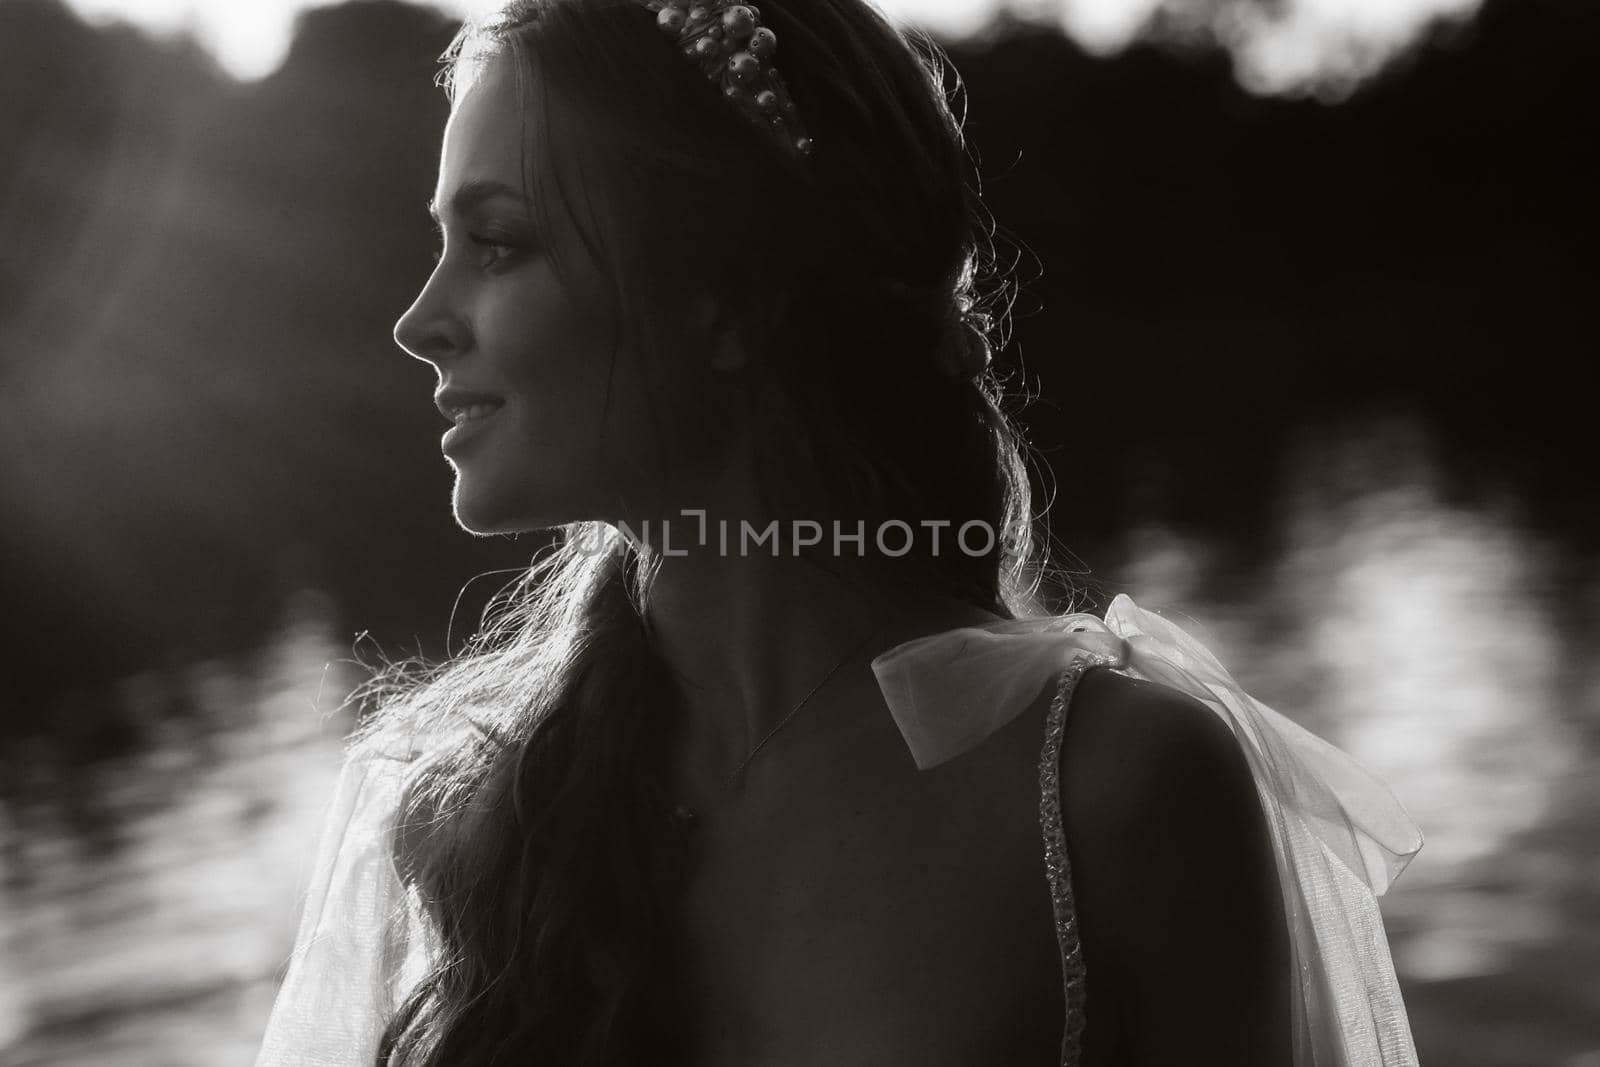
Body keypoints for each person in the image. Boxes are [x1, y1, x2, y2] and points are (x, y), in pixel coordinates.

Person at [254, 0, 1424, 1063]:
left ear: (721, 291)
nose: (418, 320)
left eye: (498, 241)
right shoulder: (457, 819)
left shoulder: (1111, 796)